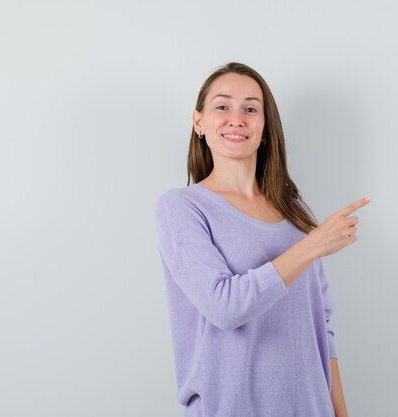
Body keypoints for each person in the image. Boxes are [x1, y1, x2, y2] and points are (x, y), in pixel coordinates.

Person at [154, 62, 370, 417]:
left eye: (251, 109)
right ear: (199, 122)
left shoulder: (294, 208)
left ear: (265, 128)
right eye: (222, 106)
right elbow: (224, 307)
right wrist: (312, 246)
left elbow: (322, 327)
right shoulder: (182, 207)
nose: (236, 118)